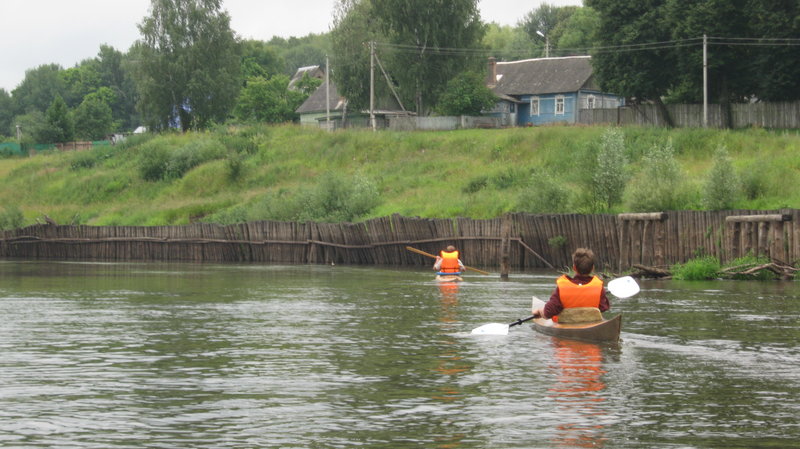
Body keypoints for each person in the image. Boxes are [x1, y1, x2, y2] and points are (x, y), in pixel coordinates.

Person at [533, 248, 610, 322]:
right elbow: (603, 307)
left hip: (567, 324)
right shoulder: (599, 287)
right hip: (590, 323)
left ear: (574, 268)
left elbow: (549, 312)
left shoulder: (562, 287)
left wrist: (541, 311)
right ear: (592, 268)